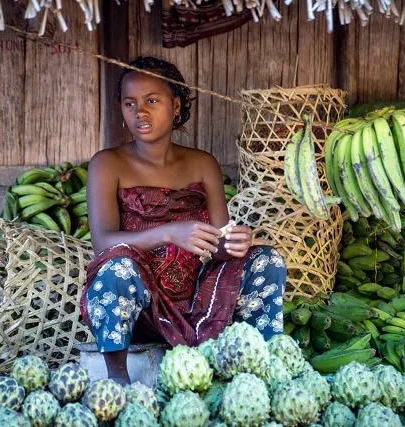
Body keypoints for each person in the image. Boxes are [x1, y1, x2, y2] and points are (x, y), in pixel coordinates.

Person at [80, 56, 287, 385]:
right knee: (117, 267)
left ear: (176, 106)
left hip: (198, 302)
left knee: (266, 259)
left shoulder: (203, 164)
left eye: (152, 101)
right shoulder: (107, 164)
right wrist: (170, 233)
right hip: (140, 305)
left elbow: (219, 247)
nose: (140, 113)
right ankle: (117, 380)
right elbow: (103, 242)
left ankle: (265, 368)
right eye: (130, 103)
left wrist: (233, 243)